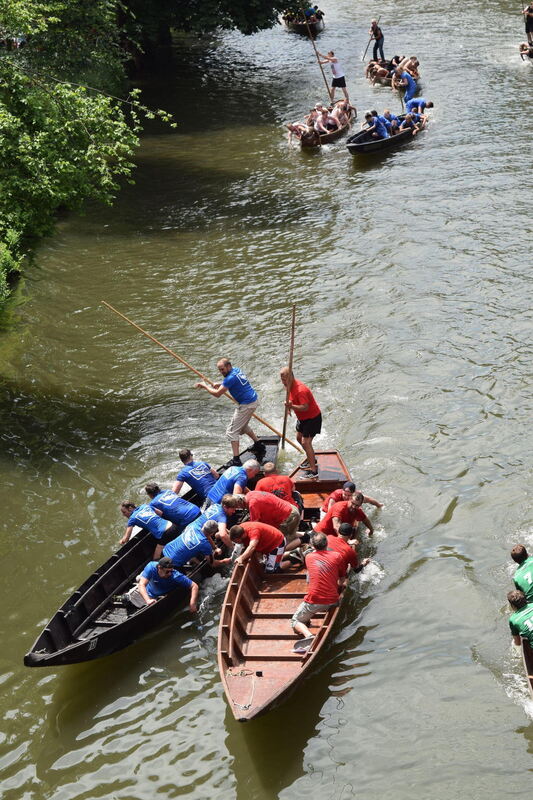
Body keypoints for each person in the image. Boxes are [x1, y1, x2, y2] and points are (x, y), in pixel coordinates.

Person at [194, 358, 263, 465]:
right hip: (253, 401)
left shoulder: (229, 378)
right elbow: (231, 383)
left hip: (246, 405)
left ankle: (236, 459)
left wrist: (205, 386)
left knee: (232, 432)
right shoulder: (236, 370)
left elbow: (217, 394)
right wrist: (221, 385)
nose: (222, 372)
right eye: (220, 370)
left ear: (229, 366)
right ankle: (258, 444)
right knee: (242, 426)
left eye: (223, 369)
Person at [290, 532, 345, 644]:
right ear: (326, 543)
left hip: (314, 601)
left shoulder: (308, 557)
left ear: (313, 546)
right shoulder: (337, 556)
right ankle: (308, 621)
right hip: (333, 600)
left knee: (295, 621)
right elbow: (342, 579)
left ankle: (309, 635)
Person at [280, 366, 322, 479]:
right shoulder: (288, 386)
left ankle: (314, 471)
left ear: (291, 377)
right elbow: (290, 397)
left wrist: (291, 406)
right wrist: (289, 406)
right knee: (298, 438)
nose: (283, 382)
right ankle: (311, 459)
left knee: (305, 442)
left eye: (285, 379)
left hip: (312, 418)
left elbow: (305, 407)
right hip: (302, 419)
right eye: (282, 379)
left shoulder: (300, 390)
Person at [124, 556, 199, 611]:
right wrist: (148, 600)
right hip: (147, 591)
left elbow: (194, 586)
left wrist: (192, 603)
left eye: (171, 570)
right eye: (167, 571)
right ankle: (140, 577)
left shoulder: (176, 576)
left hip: (157, 596)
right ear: (159, 568)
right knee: (125, 599)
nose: (169, 573)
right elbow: (142, 585)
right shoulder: (151, 566)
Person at [236, 490, 302, 551]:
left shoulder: (252, 505)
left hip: (288, 516)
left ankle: (296, 551)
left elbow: (255, 526)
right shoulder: (250, 494)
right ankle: (307, 535)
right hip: (289, 509)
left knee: (280, 542)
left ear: (241, 504)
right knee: (290, 535)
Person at [163, 519, 230, 569]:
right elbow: (213, 564)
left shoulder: (193, 525)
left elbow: (206, 535)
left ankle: (193, 559)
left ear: (204, 525)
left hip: (165, 550)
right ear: (212, 533)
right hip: (173, 563)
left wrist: (214, 547)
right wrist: (224, 561)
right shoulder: (205, 544)